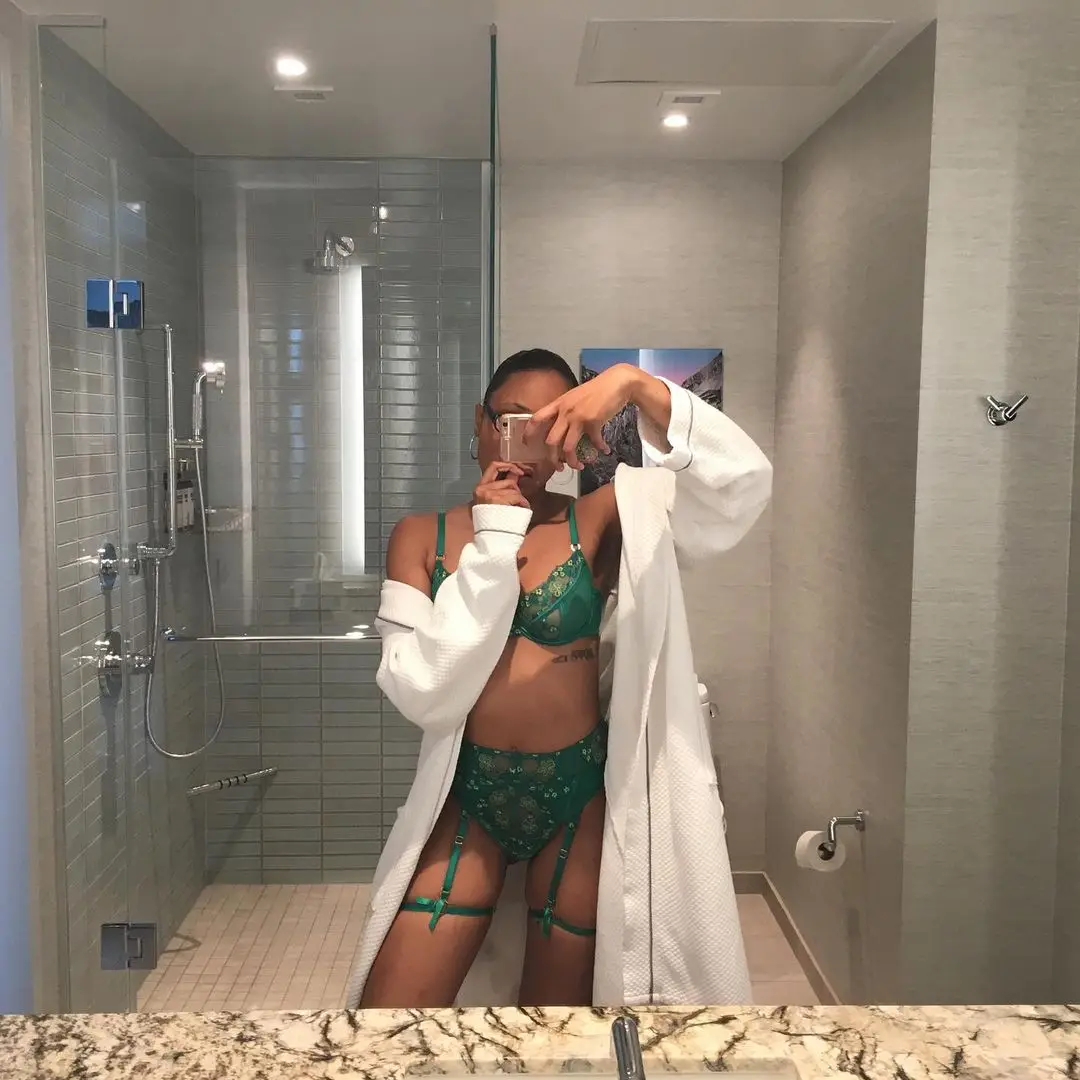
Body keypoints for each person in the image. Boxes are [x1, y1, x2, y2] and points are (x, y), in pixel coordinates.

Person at [346, 348, 772, 1009]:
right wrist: (494, 534)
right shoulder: (422, 536)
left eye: (550, 425)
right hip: (471, 796)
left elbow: (738, 486)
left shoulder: (599, 518)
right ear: (481, 423)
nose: (530, 443)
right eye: (515, 421)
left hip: (577, 794)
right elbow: (419, 690)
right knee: (386, 1021)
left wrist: (633, 385)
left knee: (553, 1033)